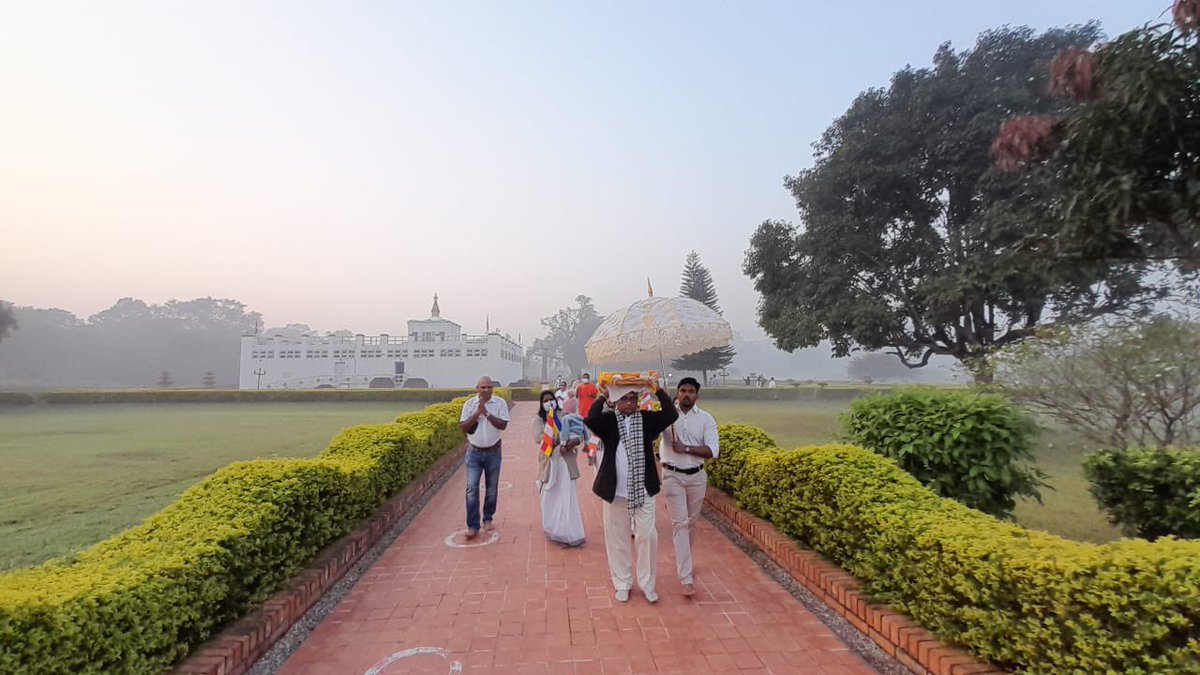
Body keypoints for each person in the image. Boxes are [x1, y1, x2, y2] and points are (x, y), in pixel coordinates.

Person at [585, 377, 678, 603]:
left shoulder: (647, 421)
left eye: (632, 398)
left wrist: (658, 390)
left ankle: (647, 584)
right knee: (617, 539)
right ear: (617, 401)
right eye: (623, 398)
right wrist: (604, 396)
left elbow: (671, 415)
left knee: (647, 536)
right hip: (614, 491)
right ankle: (622, 582)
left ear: (637, 401)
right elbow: (591, 419)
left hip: (643, 490)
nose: (628, 403)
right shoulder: (608, 422)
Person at [659, 377, 719, 597]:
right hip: (672, 475)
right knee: (680, 524)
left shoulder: (706, 419)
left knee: (691, 524)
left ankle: (687, 560)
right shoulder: (667, 416)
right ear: (677, 393)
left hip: (697, 476)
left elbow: (713, 451)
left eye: (690, 391)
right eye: (682, 390)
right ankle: (686, 577)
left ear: (697, 395)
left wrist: (685, 449)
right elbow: (649, 431)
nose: (686, 394)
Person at [458, 376, 510, 539]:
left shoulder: (499, 403)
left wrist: (486, 413)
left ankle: (488, 518)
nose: (486, 390)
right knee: (472, 488)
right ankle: (473, 525)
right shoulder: (469, 405)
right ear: (477, 388)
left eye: (489, 387)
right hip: (474, 452)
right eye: (483, 387)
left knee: (492, 487)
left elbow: (503, 425)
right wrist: (476, 413)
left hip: (493, 452)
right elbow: (463, 427)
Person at [533, 390, 587, 547]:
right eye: (546, 400)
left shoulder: (565, 416)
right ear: (542, 403)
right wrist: (559, 440)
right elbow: (539, 438)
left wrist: (574, 441)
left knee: (567, 497)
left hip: (566, 462)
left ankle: (570, 533)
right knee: (549, 496)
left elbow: (581, 432)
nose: (549, 402)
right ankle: (553, 528)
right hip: (549, 463)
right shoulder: (538, 420)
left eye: (552, 399)